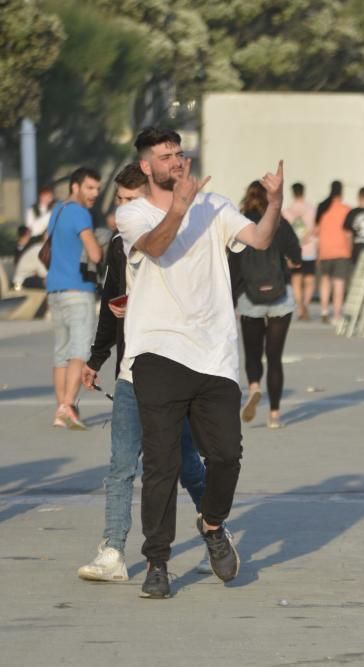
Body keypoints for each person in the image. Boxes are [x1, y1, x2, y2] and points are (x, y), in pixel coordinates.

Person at [115, 126, 283, 599]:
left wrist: (273, 203)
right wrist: (181, 207)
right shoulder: (132, 212)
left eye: (179, 153)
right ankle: (158, 562)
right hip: (157, 352)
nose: (176, 161)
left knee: (227, 455)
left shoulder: (216, 205)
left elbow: (261, 240)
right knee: (162, 466)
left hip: (214, 353)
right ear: (146, 166)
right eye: (165, 156)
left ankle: (212, 525)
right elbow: (155, 246)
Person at [78, 163, 210, 582]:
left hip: (179, 371)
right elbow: (109, 302)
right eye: (118, 202)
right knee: (121, 465)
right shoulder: (119, 245)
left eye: (130, 202)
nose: (122, 212)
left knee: (186, 463)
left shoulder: (187, 240)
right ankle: (113, 551)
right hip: (132, 372)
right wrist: (97, 356)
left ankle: (214, 525)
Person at [233, 181, 302, 429]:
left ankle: (253, 387)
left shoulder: (240, 223)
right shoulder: (280, 223)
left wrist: (232, 300)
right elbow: (297, 255)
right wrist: (291, 262)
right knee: (274, 357)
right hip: (279, 296)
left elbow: (233, 264)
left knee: (252, 352)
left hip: (249, 296)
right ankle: (274, 414)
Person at [46, 167, 104, 430]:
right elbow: (94, 254)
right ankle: (69, 406)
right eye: (90, 188)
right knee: (79, 352)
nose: (94, 193)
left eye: (97, 189)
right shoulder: (80, 213)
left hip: (55, 290)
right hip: (78, 290)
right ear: (75, 187)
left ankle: (61, 408)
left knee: (61, 354)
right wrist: (99, 245)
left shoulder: (57, 211)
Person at [315, 180, 352, 325]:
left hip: (325, 251)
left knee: (325, 281)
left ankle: (324, 311)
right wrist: (350, 251)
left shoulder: (322, 208)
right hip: (341, 251)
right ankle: (336, 315)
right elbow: (348, 233)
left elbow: (316, 231)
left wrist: (318, 253)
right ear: (341, 192)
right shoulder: (346, 209)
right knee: (339, 284)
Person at [282, 182, 317, 320]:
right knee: (309, 280)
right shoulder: (312, 209)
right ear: (304, 191)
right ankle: (306, 304)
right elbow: (315, 229)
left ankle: (300, 308)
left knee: (296, 281)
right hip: (310, 249)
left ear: (292, 193)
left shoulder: (287, 211)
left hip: (295, 249)